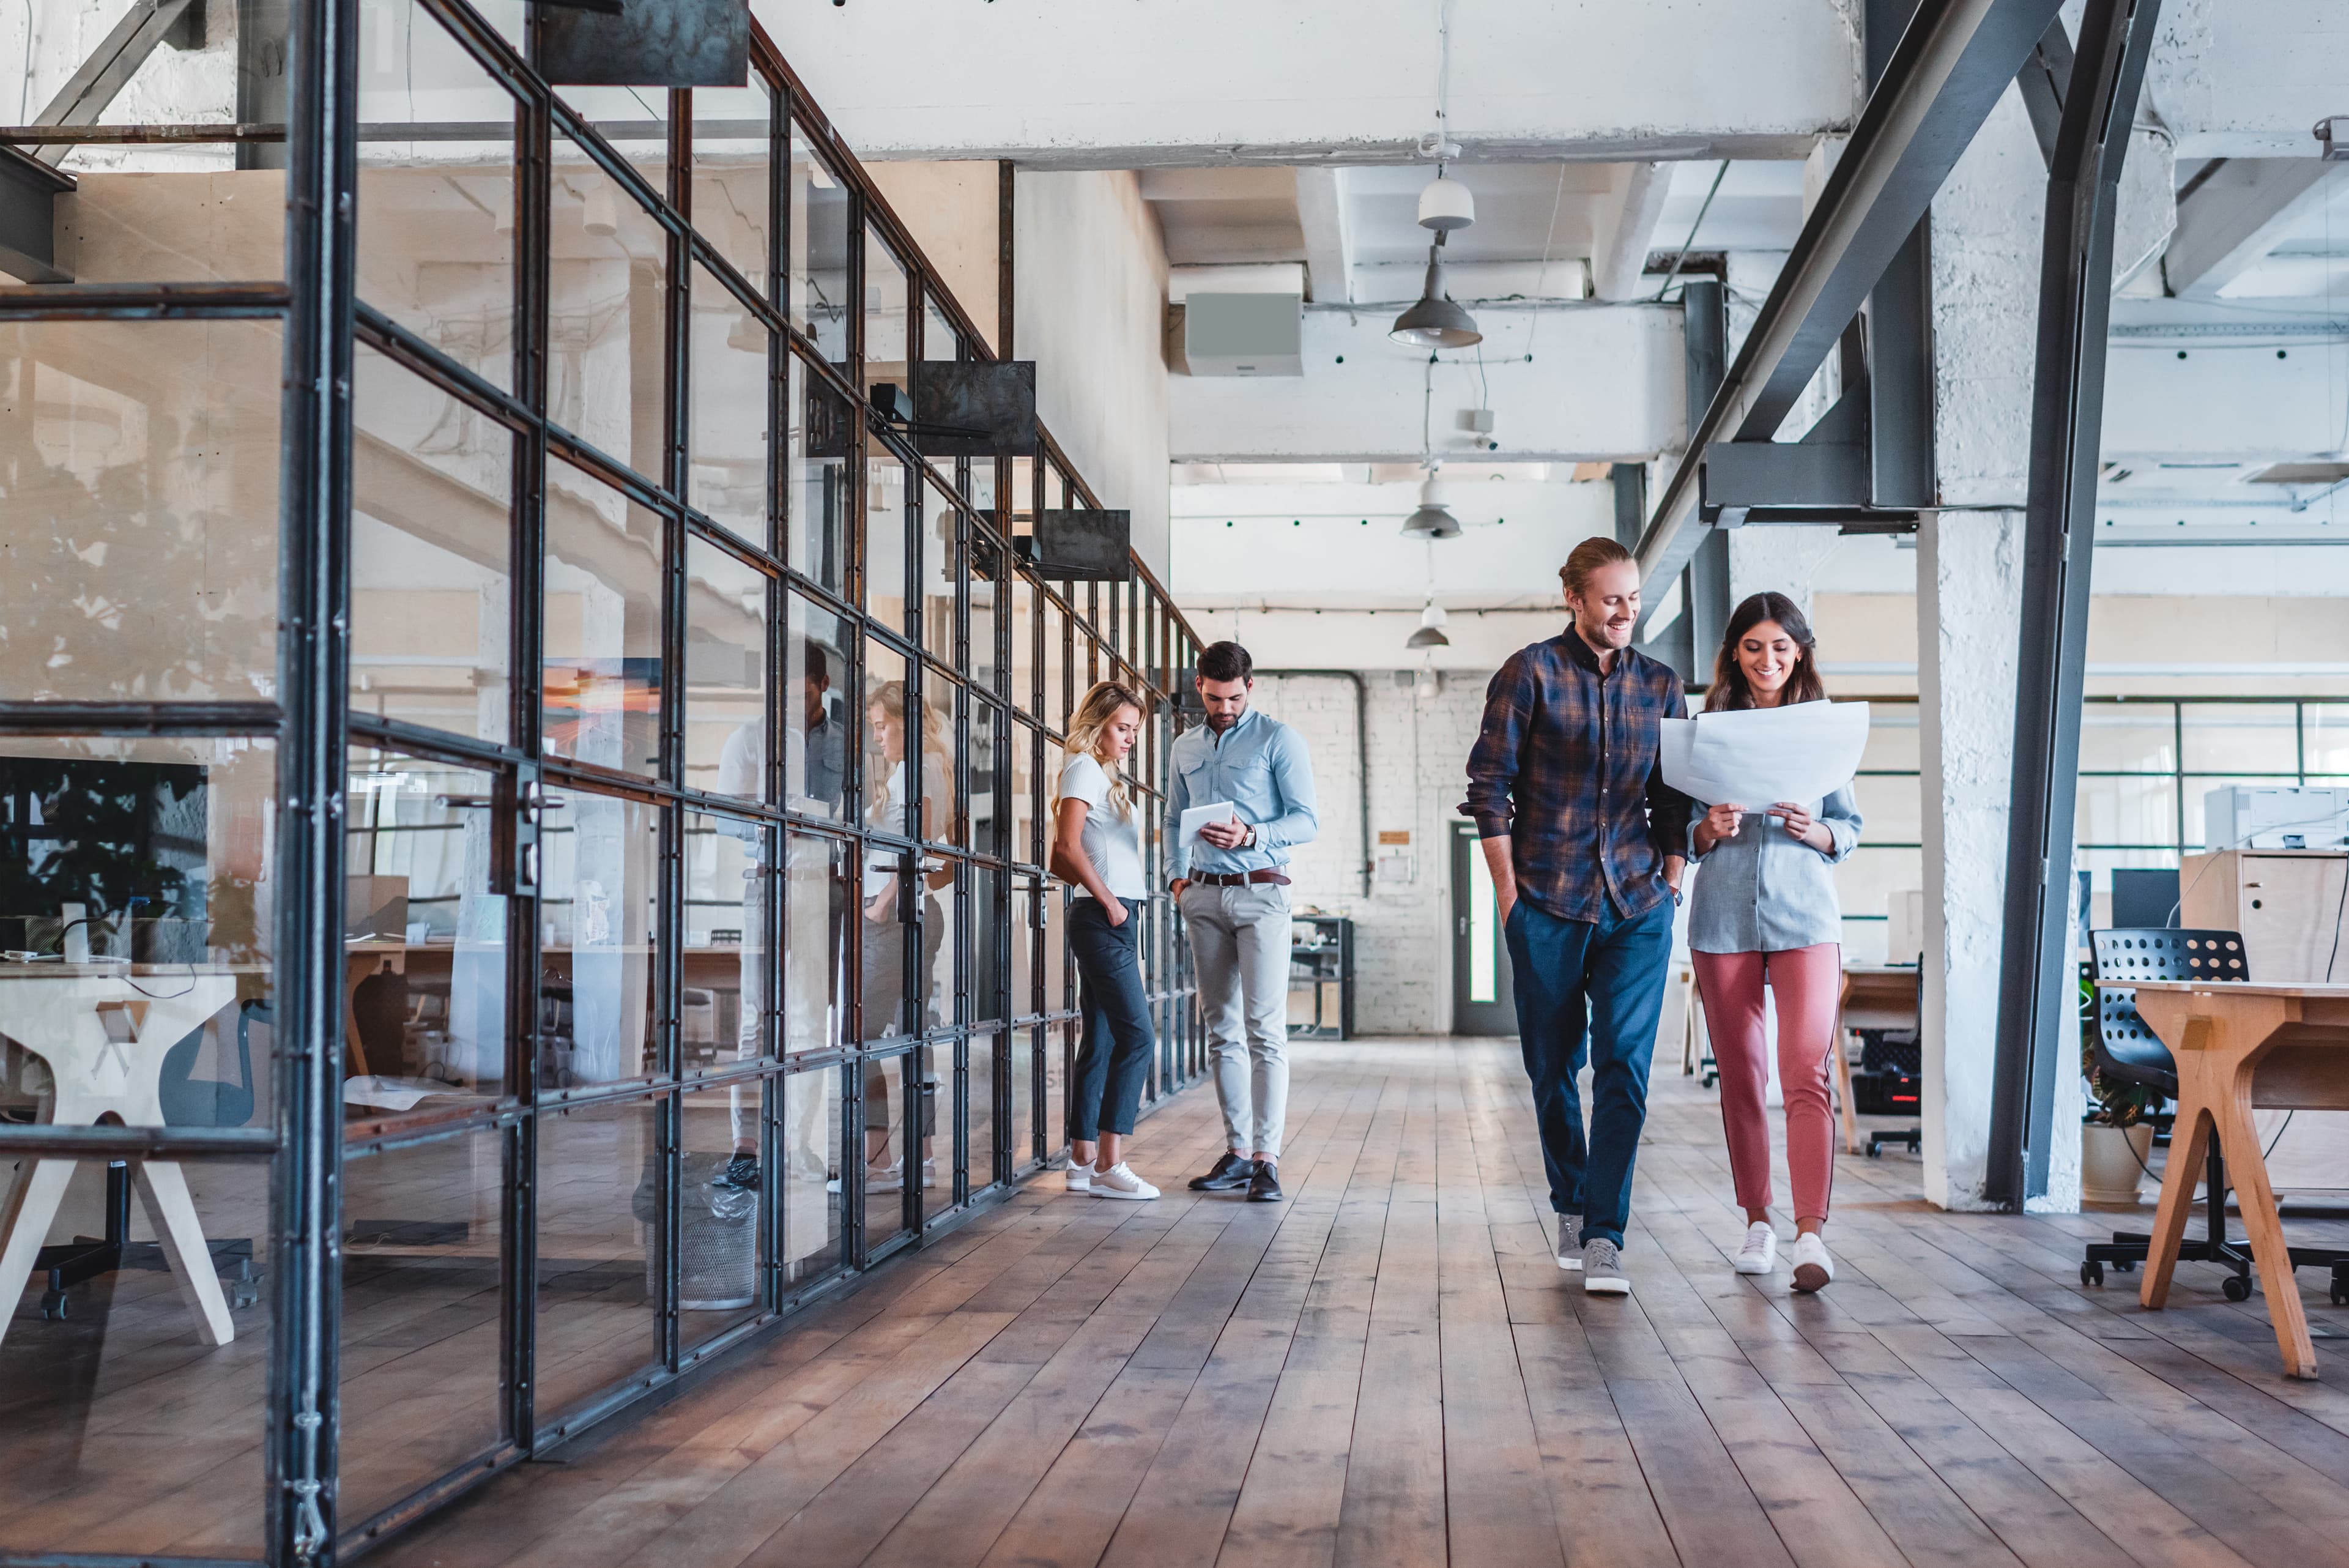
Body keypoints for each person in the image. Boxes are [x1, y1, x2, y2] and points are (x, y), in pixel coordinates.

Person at [1462, 536, 1691, 1296]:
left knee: (1624, 1065)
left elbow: (1675, 797)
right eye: (1612, 598)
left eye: (1634, 598)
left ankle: (1604, 1233)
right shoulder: (1529, 673)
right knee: (1553, 1065)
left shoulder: (1660, 685)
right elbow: (1489, 788)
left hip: (1638, 904)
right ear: (1574, 597)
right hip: (1548, 901)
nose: (1626, 611)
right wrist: (1508, 897)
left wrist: (1671, 878)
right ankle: (1572, 1199)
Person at [1685, 592, 1861, 1293]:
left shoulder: (1824, 732)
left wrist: (1814, 830)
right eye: (1754, 646)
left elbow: (1847, 827)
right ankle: (1758, 1221)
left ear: (1799, 652)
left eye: (1781, 647)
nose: (1768, 659)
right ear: (1735, 652)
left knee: (1804, 1071)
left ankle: (1811, 1234)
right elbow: (1680, 833)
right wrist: (1706, 830)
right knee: (1741, 1075)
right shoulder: (1706, 732)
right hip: (1722, 920)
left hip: (1806, 920)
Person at [1167, 641, 1317, 1203]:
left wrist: (1254, 834)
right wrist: (1176, 881)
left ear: (1249, 687)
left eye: (1233, 698)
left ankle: (1266, 1160)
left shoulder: (1279, 740)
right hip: (1203, 896)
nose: (1224, 708)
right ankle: (1236, 1152)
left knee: (1264, 1029)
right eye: (1214, 698)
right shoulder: (1184, 746)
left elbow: (1307, 821)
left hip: (1262, 895)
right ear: (1199, 687)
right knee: (1221, 1029)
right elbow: (1172, 818)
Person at [1050, 680, 1160, 1200]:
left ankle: (1082, 1158)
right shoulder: (1082, 768)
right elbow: (1065, 848)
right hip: (1105, 916)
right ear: (1097, 725)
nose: (1131, 737)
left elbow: (1068, 854)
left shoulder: (1101, 776)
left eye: (1135, 729)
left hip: (1111, 914)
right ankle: (1110, 1165)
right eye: (1123, 727)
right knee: (1138, 1036)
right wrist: (1111, 902)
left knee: (1101, 1038)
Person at [850, 678, 951, 1196]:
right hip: (908, 913)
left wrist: (882, 903)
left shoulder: (920, 768)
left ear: (904, 723)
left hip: (893, 918)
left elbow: (921, 844)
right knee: (913, 1033)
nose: (877, 737)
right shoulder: (925, 767)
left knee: (861, 1034)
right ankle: (919, 1156)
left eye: (881, 725)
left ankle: (880, 1160)